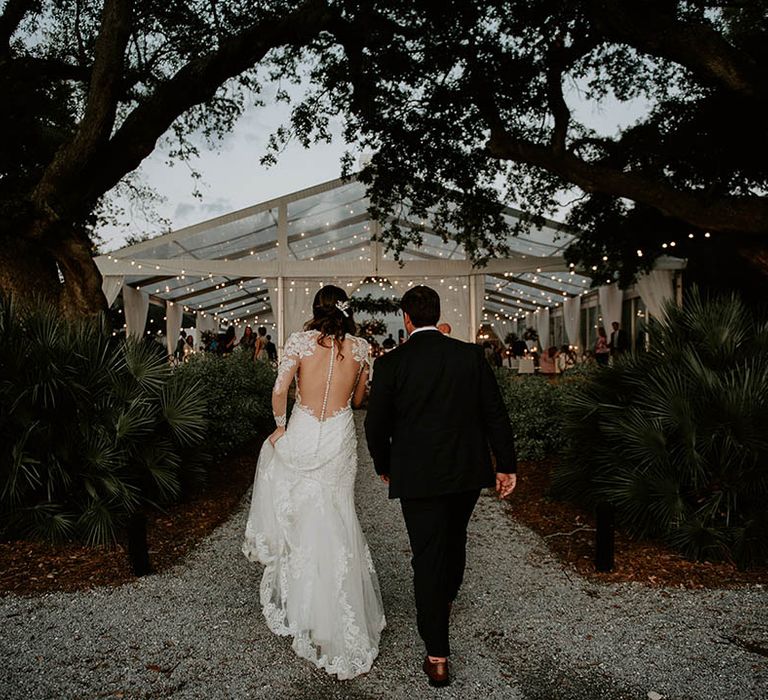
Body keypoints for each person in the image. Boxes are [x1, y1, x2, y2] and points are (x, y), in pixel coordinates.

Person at [365, 285, 517, 688]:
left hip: (417, 476)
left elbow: (375, 424)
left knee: (428, 553)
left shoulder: (391, 364)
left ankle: (437, 654)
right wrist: (506, 465)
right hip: (466, 472)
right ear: (437, 314)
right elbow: (495, 414)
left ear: (406, 318)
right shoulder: (469, 355)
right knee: (455, 537)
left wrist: (384, 464)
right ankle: (444, 597)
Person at [242, 285, 385, 680]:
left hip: (304, 431)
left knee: (305, 519)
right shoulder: (360, 349)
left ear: (315, 309)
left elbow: (279, 390)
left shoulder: (300, 342)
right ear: (346, 311)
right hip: (339, 436)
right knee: (338, 517)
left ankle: (309, 607)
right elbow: (358, 401)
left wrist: (280, 427)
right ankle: (337, 611)